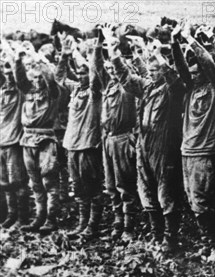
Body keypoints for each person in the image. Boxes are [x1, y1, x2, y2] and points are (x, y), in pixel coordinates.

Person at [109, 32, 186, 251]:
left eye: (156, 70)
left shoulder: (172, 90)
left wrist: (161, 56)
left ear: (163, 71)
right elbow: (126, 79)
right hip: (144, 144)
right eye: (150, 70)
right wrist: (115, 56)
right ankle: (156, 234)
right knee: (146, 189)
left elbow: (175, 79)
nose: (152, 74)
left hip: (164, 146)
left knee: (166, 191)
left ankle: (171, 238)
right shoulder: (148, 87)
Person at [171, 22, 215, 260]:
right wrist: (175, 43)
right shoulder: (190, 89)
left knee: (202, 203)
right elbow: (181, 68)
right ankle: (207, 243)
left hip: (205, 152)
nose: (193, 76)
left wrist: (191, 40)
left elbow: (209, 65)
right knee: (194, 201)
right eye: (191, 73)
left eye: (197, 73)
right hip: (189, 152)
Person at [55, 33, 104, 239]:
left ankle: (93, 225)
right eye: (79, 73)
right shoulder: (75, 89)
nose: (81, 75)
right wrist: (65, 56)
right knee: (78, 188)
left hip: (88, 147)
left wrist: (94, 53)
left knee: (92, 188)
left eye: (84, 73)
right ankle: (82, 223)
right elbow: (59, 77)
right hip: (72, 146)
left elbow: (96, 76)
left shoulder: (95, 92)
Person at [14, 42, 65, 233]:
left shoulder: (52, 93)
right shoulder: (27, 90)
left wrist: (39, 59)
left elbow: (51, 79)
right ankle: (39, 217)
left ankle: (51, 219)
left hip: (45, 139)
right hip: (28, 139)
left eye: (39, 78)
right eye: (34, 77)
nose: (37, 81)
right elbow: (19, 77)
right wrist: (19, 58)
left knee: (49, 181)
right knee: (34, 182)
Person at [97, 26, 139, 243]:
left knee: (125, 186)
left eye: (113, 68)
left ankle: (129, 226)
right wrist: (100, 40)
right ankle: (117, 221)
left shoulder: (126, 86)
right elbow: (97, 66)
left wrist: (114, 43)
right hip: (108, 139)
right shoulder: (108, 86)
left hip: (123, 139)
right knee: (111, 185)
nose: (110, 71)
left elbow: (123, 70)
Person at [0, 51, 29, 230]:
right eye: (6, 72)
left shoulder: (20, 92)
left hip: (14, 143)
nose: (9, 76)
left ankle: (23, 217)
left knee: (18, 182)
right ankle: (11, 215)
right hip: (1, 142)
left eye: (11, 73)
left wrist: (15, 59)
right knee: (4, 183)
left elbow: (21, 78)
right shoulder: (2, 91)